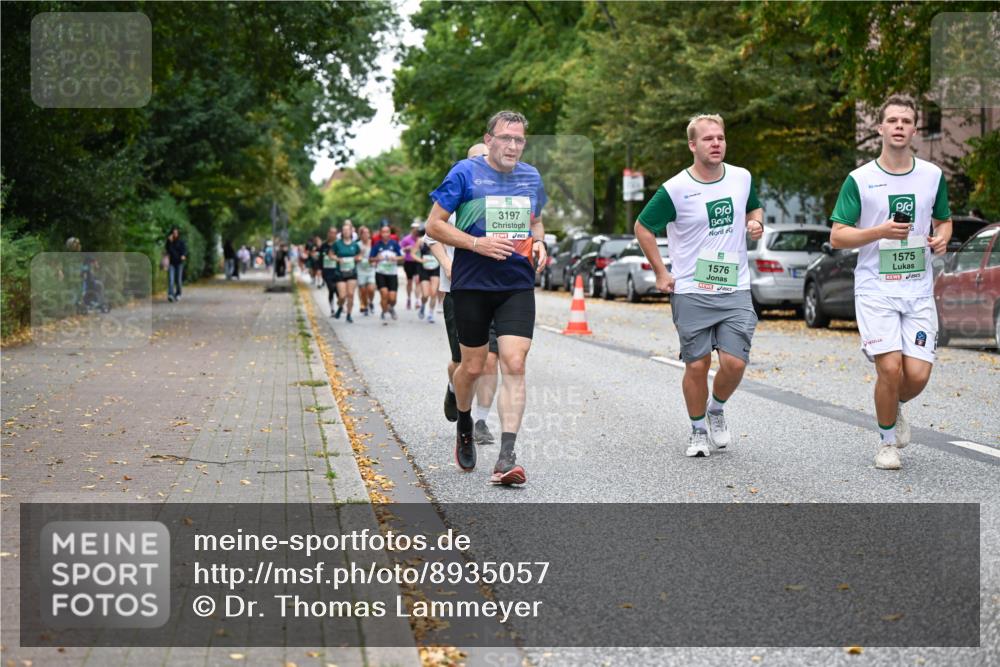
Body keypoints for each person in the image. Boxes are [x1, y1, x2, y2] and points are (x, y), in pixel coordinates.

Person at [425, 111, 548, 486]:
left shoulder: (531, 176)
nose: (512, 146)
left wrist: (540, 240)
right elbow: (435, 225)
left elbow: (536, 219)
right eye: (506, 138)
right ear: (489, 138)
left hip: (516, 283)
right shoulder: (464, 173)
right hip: (472, 285)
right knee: (473, 366)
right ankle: (464, 421)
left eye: (519, 140)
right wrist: (476, 243)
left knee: (514, 362)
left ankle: (507, 456)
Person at [829, 96, 952, 470]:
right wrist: (879, 231)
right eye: (892, 120)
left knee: (917, 374)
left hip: (917, 290)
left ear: (915, 130)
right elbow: (838, 236)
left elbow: (943, 220)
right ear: (880, 128)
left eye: (906, 121)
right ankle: (886, 443)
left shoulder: (932, 176)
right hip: (876, 289)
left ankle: (894, 405)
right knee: (889, 367)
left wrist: (942, 236)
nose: (899, 125)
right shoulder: (860, 180)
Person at [634, 113, 764, 458]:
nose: (716, 143)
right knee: (697, 365)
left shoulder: (741, 177)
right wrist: (661, 272)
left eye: (720, 137)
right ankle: (697, 430)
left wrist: (755, 224)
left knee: (735, 363)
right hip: (692, 289)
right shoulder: (675, 189)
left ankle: (716, 408)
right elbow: (643, 227)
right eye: (708, 139)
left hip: (735, 286)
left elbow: (754, 208)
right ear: (693, 145)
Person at [427, 143, 501, 447]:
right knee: (463, 363)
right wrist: (448, 265)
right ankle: (453, 387)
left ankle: (481, 421)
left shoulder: (500, 199)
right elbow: (431, 235)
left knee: (491, 359)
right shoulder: (453, 192)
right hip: (459, 290)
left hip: (495, 289)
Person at [370, 224, 404, 322]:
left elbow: (402, 257)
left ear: (390, 233)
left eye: (387, 232)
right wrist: (377, 258)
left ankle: (390, 307)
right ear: (380, 233)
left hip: (392, 274)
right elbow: (370, 259)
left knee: (392, 298)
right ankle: (384, 312)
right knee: (384, 294)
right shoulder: (377, 245)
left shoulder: (394, 244)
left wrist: (395, 258)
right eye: (383, 232)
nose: (385, 234)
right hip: (380, 273)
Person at [333, 221, 362, 323]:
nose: (346, 232)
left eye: (348, 230)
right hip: (340, 272)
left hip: (351, 272)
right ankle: (340, 306)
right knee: (342, 296)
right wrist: (337, 259)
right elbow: (331, 254)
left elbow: (359, 255)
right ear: (342, 232)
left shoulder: (355, 245)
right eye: (344, 230)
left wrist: (357, 258)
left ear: (351, 232)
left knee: (350, 294)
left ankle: (349, 315)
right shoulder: (337, 244)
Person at [418, 228, 441, 323]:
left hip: (435, 268)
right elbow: (412, 253)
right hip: (424, 269)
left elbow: (444, 252)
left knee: (433, 293)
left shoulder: (439, 239)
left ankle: (431, 314)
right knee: (425, 294)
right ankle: (423, 305)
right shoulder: (421, 240)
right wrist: (421, 260)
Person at [401, 222, 423, 310]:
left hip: (417, 262)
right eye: (414, 228)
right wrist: (406, 249)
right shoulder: (406, 239)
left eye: (417, 228)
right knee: (409, 281)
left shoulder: (421, 239)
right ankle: (409, 298)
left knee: (417, 281)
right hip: (408, 262)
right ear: (412, 229)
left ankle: (417, 300)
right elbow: (401, 249)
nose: (416, 230)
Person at [319, 228, 341, 315]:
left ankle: (340, 305)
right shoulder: (323, 246)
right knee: (331, 288)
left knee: (338, 290)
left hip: (337, 270)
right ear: (328, 234)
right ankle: (332, 308)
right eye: (331, 233)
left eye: (334, 233)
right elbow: (320, 259)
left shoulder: (338, 245)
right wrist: (320, 269)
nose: (332, 235)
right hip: (327, 271)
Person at [356, 226, 377, 316]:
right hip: (360, 270)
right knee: (363, 291)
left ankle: (371, 301)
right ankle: (365, 305)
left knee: (371, 289)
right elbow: (355, 258)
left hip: (371, 269)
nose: (366, 235)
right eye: (364, 233)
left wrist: (375, 261)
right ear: (360, 235)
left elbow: (378, 255)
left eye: (367, 233)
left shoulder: (373, 244)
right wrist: (360, 255)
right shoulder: (357, 245)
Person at [165, 226, 188, 302]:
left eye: (176, 233)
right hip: (171, 263)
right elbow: (168, 250)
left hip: (179, 263)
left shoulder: (181, 242)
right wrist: (169, 242)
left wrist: (183, 255)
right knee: (171, 280)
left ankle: (178, 294)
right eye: (173, 233)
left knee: (178, 280)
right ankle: (170, 294)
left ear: (178, 233)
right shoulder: (169, 242)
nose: (175, 234)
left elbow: (184, 250)